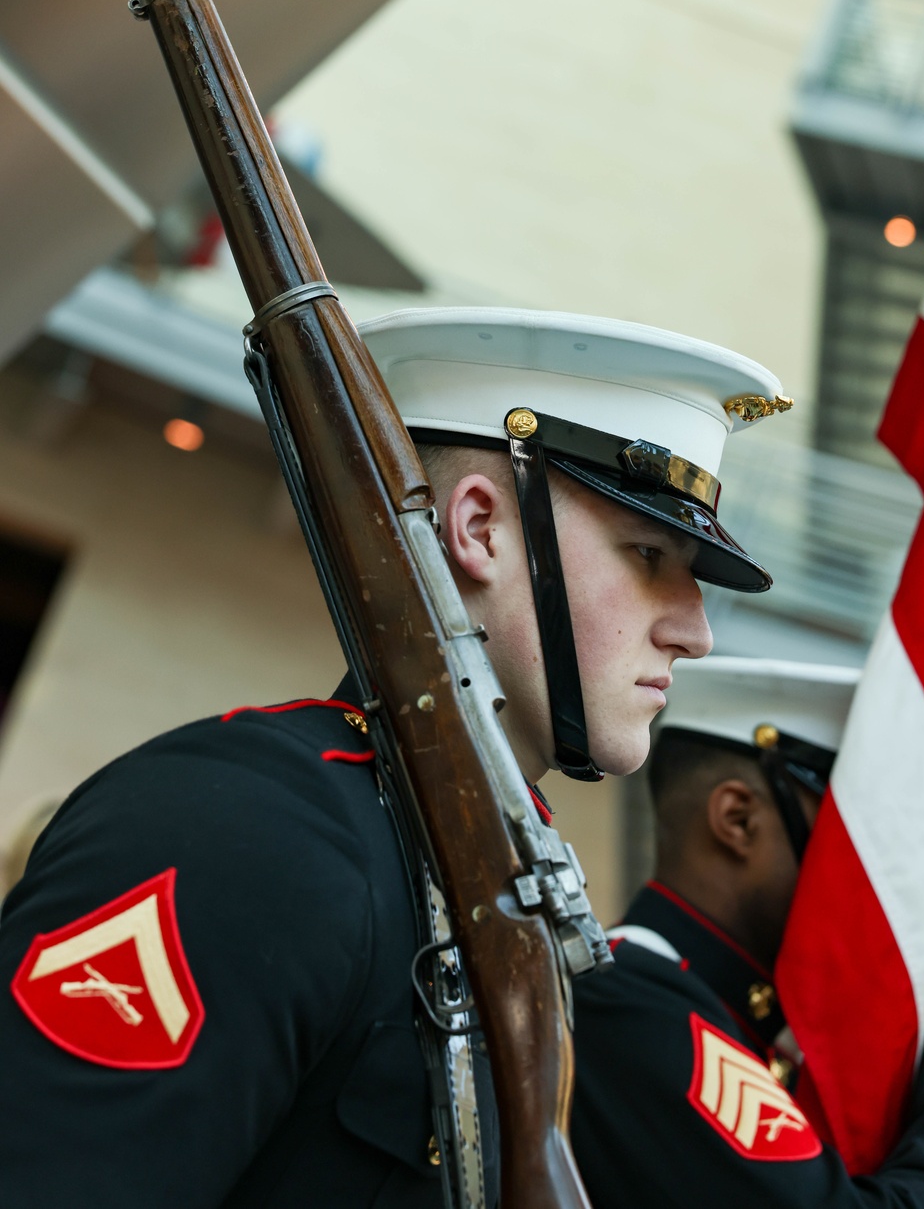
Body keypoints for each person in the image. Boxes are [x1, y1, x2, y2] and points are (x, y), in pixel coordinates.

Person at [0, 307, 788, 1206]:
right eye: (649, 553)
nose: (694, 631)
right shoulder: (251, 832)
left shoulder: (490, 889)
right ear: (482, 528)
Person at [571, 655, 924, 1209]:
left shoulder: (748, 1024)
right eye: (857, 830)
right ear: (739, 820)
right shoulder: (626, 999)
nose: (884, 868)